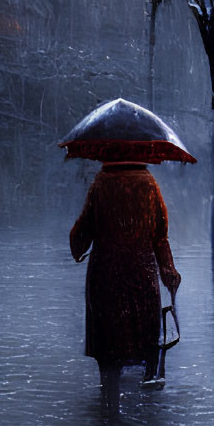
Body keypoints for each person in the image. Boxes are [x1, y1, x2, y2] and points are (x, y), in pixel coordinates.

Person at [70, 161, 181, 407]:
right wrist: (168, 271)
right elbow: (160, 235)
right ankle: (144, 419)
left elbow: (82, 232)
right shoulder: (149, 185)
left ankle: (109, 411)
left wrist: (78, 248)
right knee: (142, 336)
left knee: (109, 347)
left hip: (106, 276)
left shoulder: (101, 184)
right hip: (140, 275)